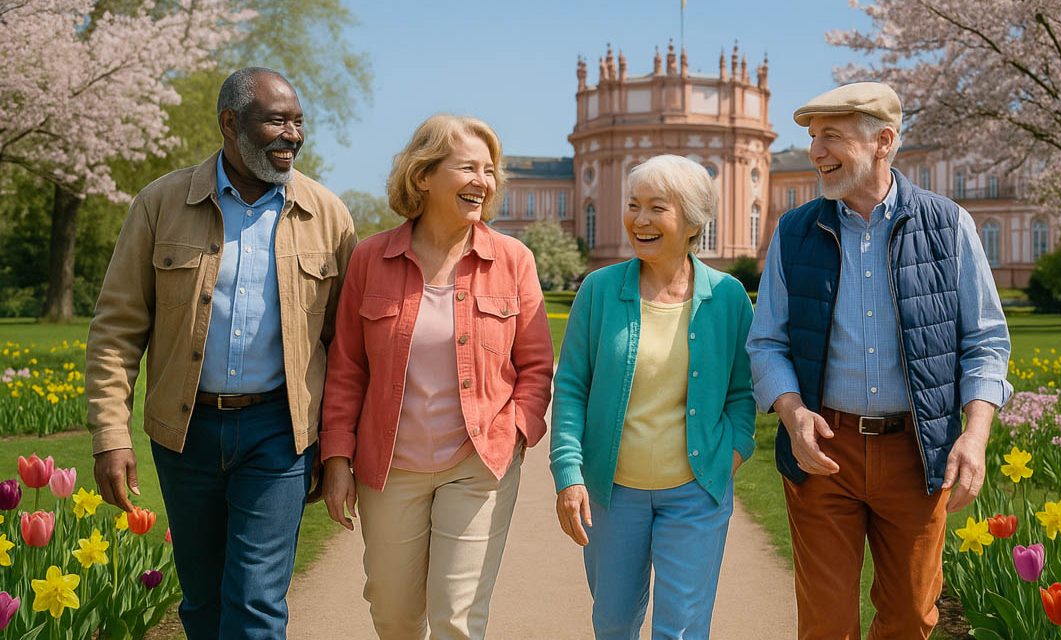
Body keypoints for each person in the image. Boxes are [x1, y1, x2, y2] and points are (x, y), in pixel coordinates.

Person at [85, 67, 356, 639]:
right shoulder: (160, 204)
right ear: (230, 124)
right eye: (276, 121)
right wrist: (111, 435)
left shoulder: (328, 215)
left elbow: (346, 347)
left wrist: (336, 450)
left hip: (279, 434)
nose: (293, 135)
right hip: (185, 432)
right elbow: (116, 330)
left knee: (256, 603)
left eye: (298, 121)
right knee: (203, 602)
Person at [747, 82, 1013, 639]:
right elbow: (766, 341)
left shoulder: (949, 225)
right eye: (813, 137)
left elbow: (986, 341)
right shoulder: (794, 231)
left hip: (917, 452)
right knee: (826, 625)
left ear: (883, 141)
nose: (816, 151)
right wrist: (793, 414)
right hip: (823, 450)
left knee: (911, 618)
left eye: (832, 136)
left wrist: (975, 435)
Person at [320, 113, 554, 639]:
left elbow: (537, 365)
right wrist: (336, 458)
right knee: (394, 616)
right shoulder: (371, 258)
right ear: (423, 175)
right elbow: (346, 369)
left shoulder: (512, 260)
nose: (483, 182)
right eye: (468, 168)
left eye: (489, 171)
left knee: (457, 617)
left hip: (478, 463)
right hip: (389, 467)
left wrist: (517, 431)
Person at [550, 154, 756, 639]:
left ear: (692, 221)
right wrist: (568, 473)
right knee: (614, 622)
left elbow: (743, 391)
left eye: (657, 208)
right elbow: (572, 386)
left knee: (681, 628)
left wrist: (733, 452)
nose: (639, 219)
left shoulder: (728, 296)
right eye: (633, 205)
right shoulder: (599, 290)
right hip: (612, 492)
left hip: (696, 491)